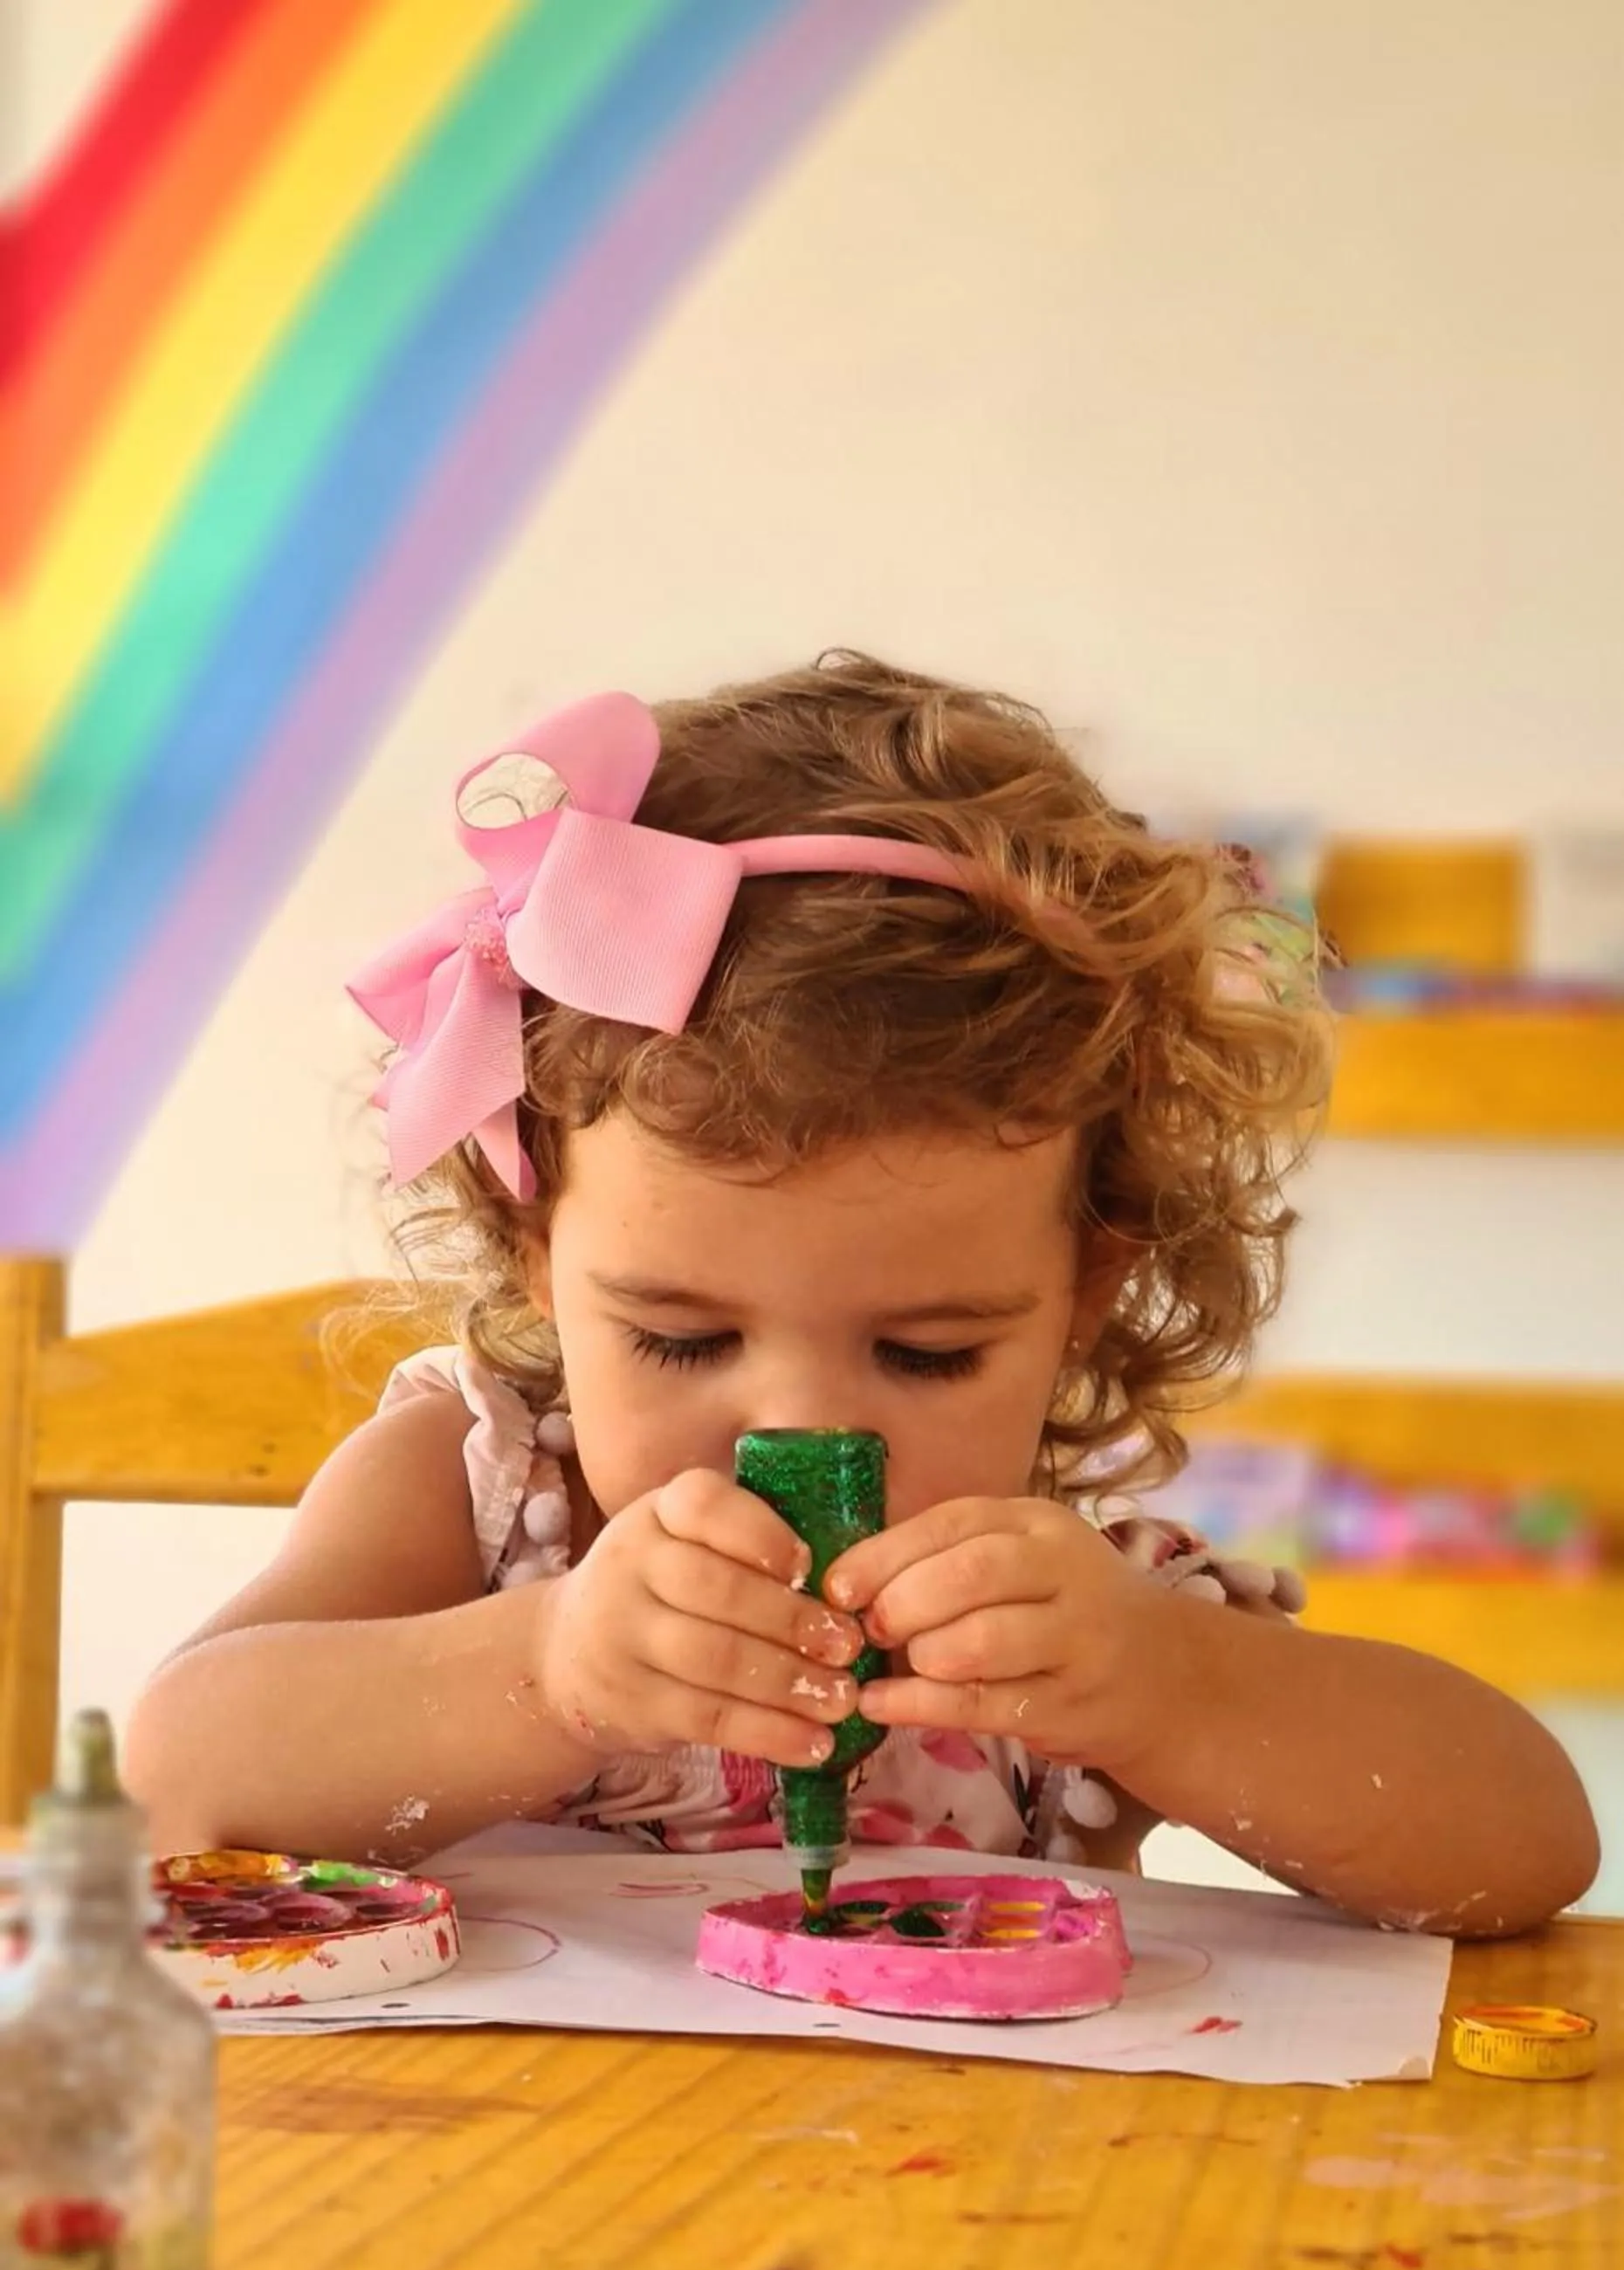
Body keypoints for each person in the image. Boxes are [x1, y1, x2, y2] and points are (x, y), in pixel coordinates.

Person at [125, 655, 1598, 1934]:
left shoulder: (1065, 1614)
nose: (801, 1425)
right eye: (680, 1337)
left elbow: (1523, 1855)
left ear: (1085, 1288)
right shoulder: (485, 1504)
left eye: (928, 1353)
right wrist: (545, 1671)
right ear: (537, 1254)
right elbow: (170, 1787)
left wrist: (1171, 1688)